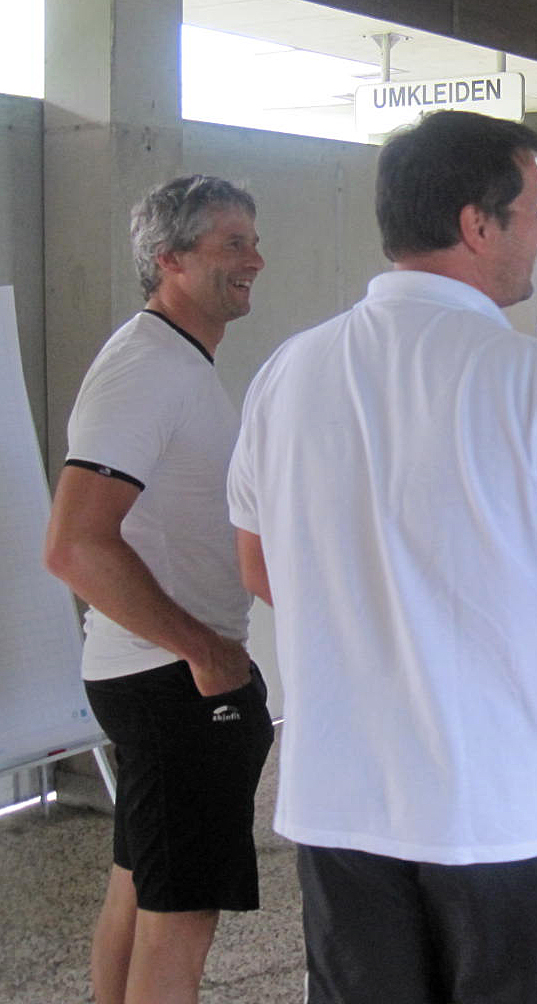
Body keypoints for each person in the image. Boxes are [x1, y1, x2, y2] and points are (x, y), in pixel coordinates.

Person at [226, 111, 537, 1004]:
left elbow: (261, 571)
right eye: (533, 209)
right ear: (477, 224)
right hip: (499, 811)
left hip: (340, 807)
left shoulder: (289, 372)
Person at [44, 175, 274, 1004]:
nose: (255, 259)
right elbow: (75, 545)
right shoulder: (145, 368)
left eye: (253, 240)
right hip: (168, 681)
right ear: (169, 258)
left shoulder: (175, 362)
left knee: (142, 886)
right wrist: (204, 650)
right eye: (233, 243)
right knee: (181, 915)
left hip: (157, 677)